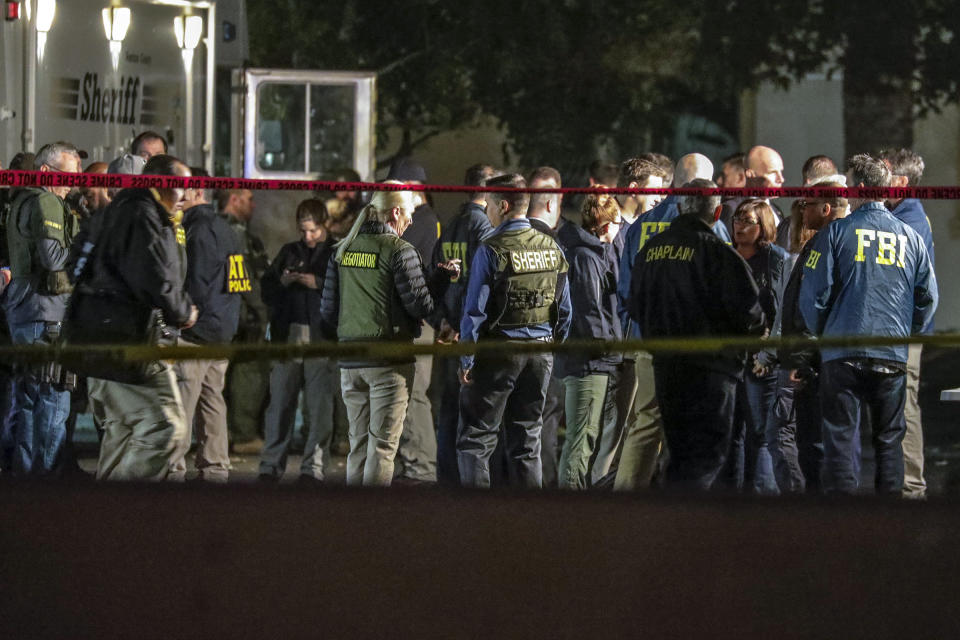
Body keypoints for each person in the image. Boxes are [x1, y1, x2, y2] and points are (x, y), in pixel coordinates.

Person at [799, 154, 937, 496]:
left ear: (859, 189)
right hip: (891, 352)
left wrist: (820, 335)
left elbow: (814, 294)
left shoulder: (835, 233)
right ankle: (887, 519)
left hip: (841, 351)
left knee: (840, 438)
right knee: (889, 439)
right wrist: (907, 331)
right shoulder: (911, 238)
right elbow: (928, 298)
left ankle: (844, 520)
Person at [64, 154, 198, 481]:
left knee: (122, 432)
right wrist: (182, 311)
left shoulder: (109, 214)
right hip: (129, 342)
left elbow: (73, 266)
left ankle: (103, 523)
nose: (186, 194)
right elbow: (154, 276)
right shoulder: (144, 215)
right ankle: (124, 509)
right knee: (167, 429)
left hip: (93, 340)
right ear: (159, 184)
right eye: (180, 185)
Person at [627, 179, 764, 491]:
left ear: (679, 207)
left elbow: (634, 305)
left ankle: (672, 520)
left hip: (665, 366)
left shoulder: (649, 251)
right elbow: (750, 313)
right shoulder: (718, 253)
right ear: (716, 213)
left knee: (679, 452)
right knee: (707, 456)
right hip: (711, 372)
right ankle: (687, 524)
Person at [319, 186, 445, 487]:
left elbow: (327, 311)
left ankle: (353, 517)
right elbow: (421, 306)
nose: (412, 222)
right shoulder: (400, 251)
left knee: (358, 446)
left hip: (351, 362)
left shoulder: (343, 250)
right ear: (396, 212)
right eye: (410, 214)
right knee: (382, 448)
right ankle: (373, 520)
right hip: (389, 362)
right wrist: (440, 280)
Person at [614, 153, 725, 491]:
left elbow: (625, 290)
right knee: (690, 424)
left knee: (646, 422)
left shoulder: (642, 225)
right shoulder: (711, 227)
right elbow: (723, 287)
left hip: (648, 339)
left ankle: (625, 499)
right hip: (694, 345)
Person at [457, 173, 572, 489]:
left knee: (476, 439)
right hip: (541, 352)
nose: (487, 212)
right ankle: (530, 520)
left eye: (490, 205)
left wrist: (466, 360)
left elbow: (474, 313)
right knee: (527, 440)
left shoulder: (492, 248)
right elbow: (565, 311)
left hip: (500, 352)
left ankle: (476, 518)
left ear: (503, 205)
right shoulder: (553, 247)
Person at [4, 142, 82, 475]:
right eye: (68, 177)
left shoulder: (25, 200)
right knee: (51, 404)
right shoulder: (46, 201)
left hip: (28, 311)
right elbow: (53, 259)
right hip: (46, 314)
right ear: (47, 173)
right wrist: (85, 254)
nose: (73, 185)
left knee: (29, 403)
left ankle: (26, 488)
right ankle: (45, 488)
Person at [768, 183, 847, 493]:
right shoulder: (831, 242)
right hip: (826, 357)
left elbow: (811, 304)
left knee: (812, 440)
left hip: (816, 362)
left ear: (825, 209)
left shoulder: (825, 244)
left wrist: (798, 359)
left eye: (808, 204)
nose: (803, 209)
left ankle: (818, 511)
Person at [258, 199, 338, 483]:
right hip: (289, 333)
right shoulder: (289, 252)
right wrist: (283, 280)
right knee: (280, 403)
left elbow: (345, 290)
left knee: (319, 408)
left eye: (314, 231)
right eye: (303, 231)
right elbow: (266, 288)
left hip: (321, 336)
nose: (308, 237)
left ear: (324, 224)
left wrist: (315, 283)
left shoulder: (337, 253)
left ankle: (313, 468)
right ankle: (270, 464)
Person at [169, 174, 242, 483]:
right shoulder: (228, 229)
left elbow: (192, 282)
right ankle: (215, 469)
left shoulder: (194, 230)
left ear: (197, 191)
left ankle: (172, 469)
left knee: (181, 406)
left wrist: (182, 316)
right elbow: (239, 282)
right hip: (223, 330)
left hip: (196, 333)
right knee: (213, 403)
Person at [431, 163, 499, 485]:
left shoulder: (452, 224)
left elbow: (438, 275)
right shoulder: (484, 227)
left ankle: (446, 478)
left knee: (448, 410)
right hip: (469, 332)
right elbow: (483, 282)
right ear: (490, 190)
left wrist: (442, 319)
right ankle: (468, 484)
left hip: (448, 328)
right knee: (473, 414)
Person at [555, 193, 623, 488]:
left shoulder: (590, 254)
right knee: (580, 440)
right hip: (589, 363)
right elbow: (591, 312)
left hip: (591, 361)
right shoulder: (585, 258)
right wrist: (610, 348)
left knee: (584, 438)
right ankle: (570, 513)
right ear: (607, 225)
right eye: (619, 222)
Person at [878, 147, 934, 500]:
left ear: (899, 182)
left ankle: (913, 488)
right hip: (891, 326)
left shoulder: (910, 221)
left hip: (902, 330)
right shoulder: (899, 215)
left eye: (882, 174)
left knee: (905, 403)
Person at [723, 200, 787, 494]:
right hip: (726, 356)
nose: (739, 225)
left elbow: (781, 307)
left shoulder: (775, 259)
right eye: (737, 219)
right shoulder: (724, 256)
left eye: (748, 221)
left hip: (760, 356)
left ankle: (762, 501)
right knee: (730, 432)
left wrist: (768, 348)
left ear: (763, 226)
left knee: (760, 433)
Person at [386, 157, 441, 484]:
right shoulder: (421, 219)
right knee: (406, 392)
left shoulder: (421, 221)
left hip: (416, 322)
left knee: (414, 393)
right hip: (411, 319)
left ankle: (421, 466)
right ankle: (414, 463)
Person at [217, 188, 271, 455]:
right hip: (243, 317)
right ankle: (244, 434)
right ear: (234, 199)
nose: (254, 205)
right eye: (249, 199)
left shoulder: (216, 228)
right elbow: (244, 278)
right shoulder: (235, 233)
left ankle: (226, 435)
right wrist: (261, 312)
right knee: (249, 376)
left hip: (225, 316)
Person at [525, 166, 566, 486]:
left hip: (506, 347)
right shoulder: (558, 246)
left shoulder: (503, 240)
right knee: (544, 423)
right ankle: (545, 491)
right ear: (553, 203)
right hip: (545, 347)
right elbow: (564, 306)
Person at [720, 145, 786, 237]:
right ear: (750, 174)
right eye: (772, 172)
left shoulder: (776, 210)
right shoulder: (731, 209)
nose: (781, 179)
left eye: (780, 171)